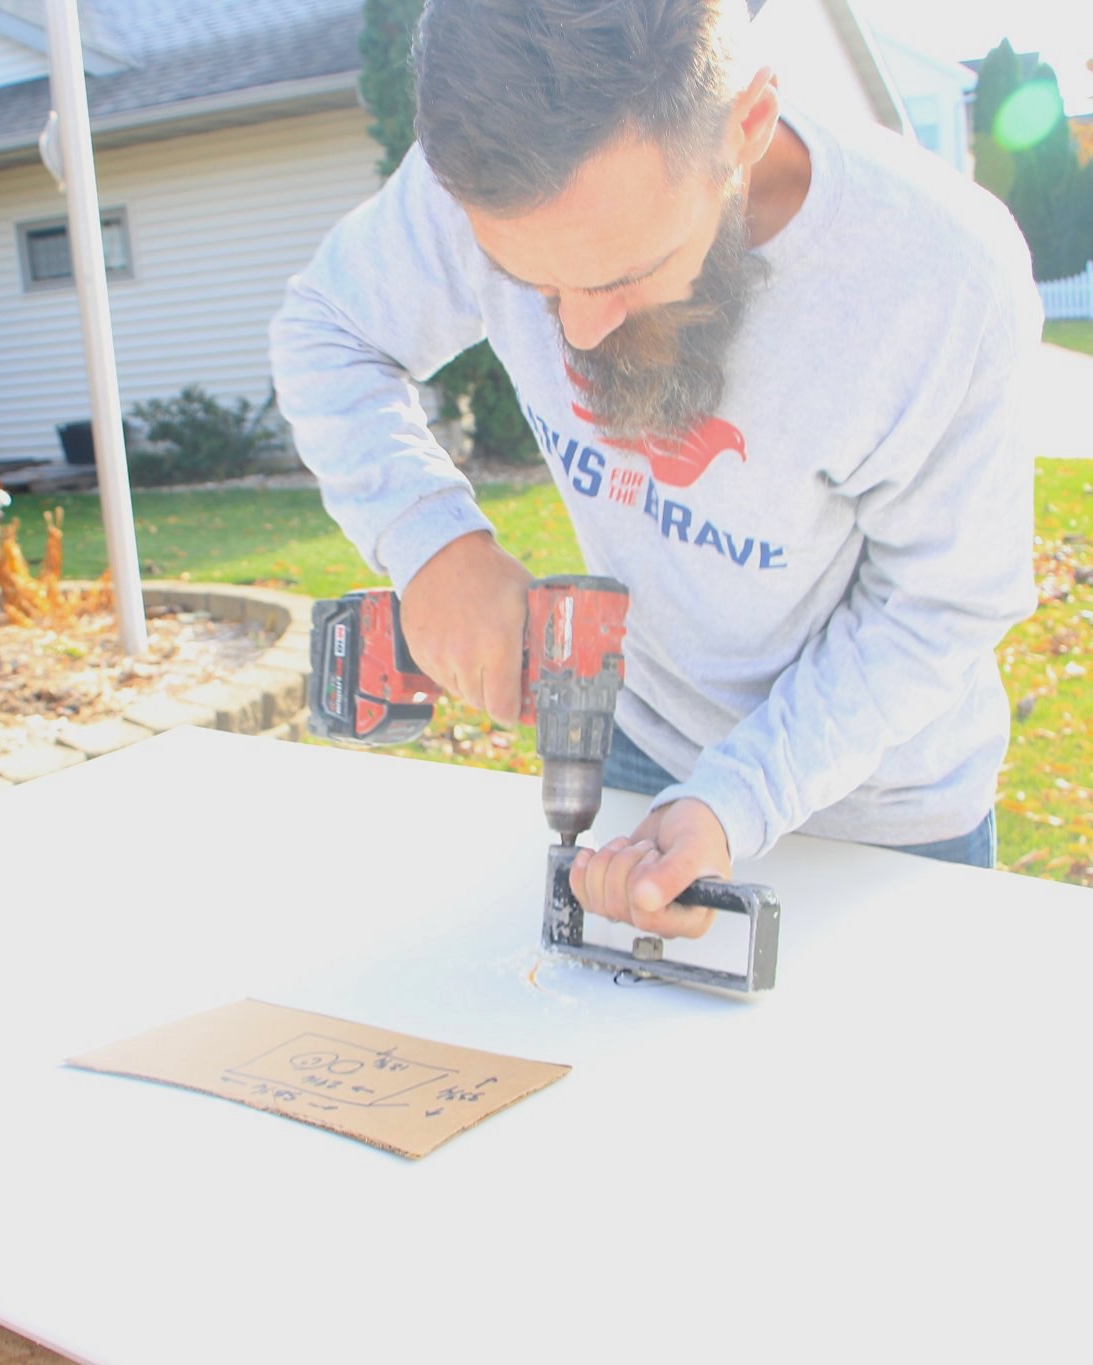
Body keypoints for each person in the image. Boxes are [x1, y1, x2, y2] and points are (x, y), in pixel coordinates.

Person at [269, 0, 1041, 940]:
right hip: (649, 751)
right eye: (534, 286)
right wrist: (432, 542)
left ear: (746, 126)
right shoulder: (489, 172)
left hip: (887, 811)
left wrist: (738, 797)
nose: (578, 334)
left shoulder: (940, 273)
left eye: (617, 275)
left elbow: (942, 605)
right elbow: (326, 331)